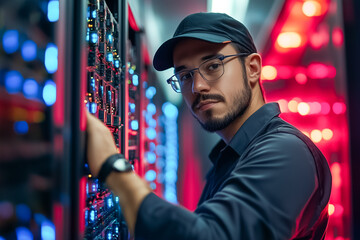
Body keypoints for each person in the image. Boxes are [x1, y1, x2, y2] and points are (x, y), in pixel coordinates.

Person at [86, 12, 332, 240]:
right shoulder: (231, 159)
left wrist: (112, 166)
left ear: (253, 69)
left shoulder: (287, 152)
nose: (197, 86)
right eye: (185, 76)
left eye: (213, 66)